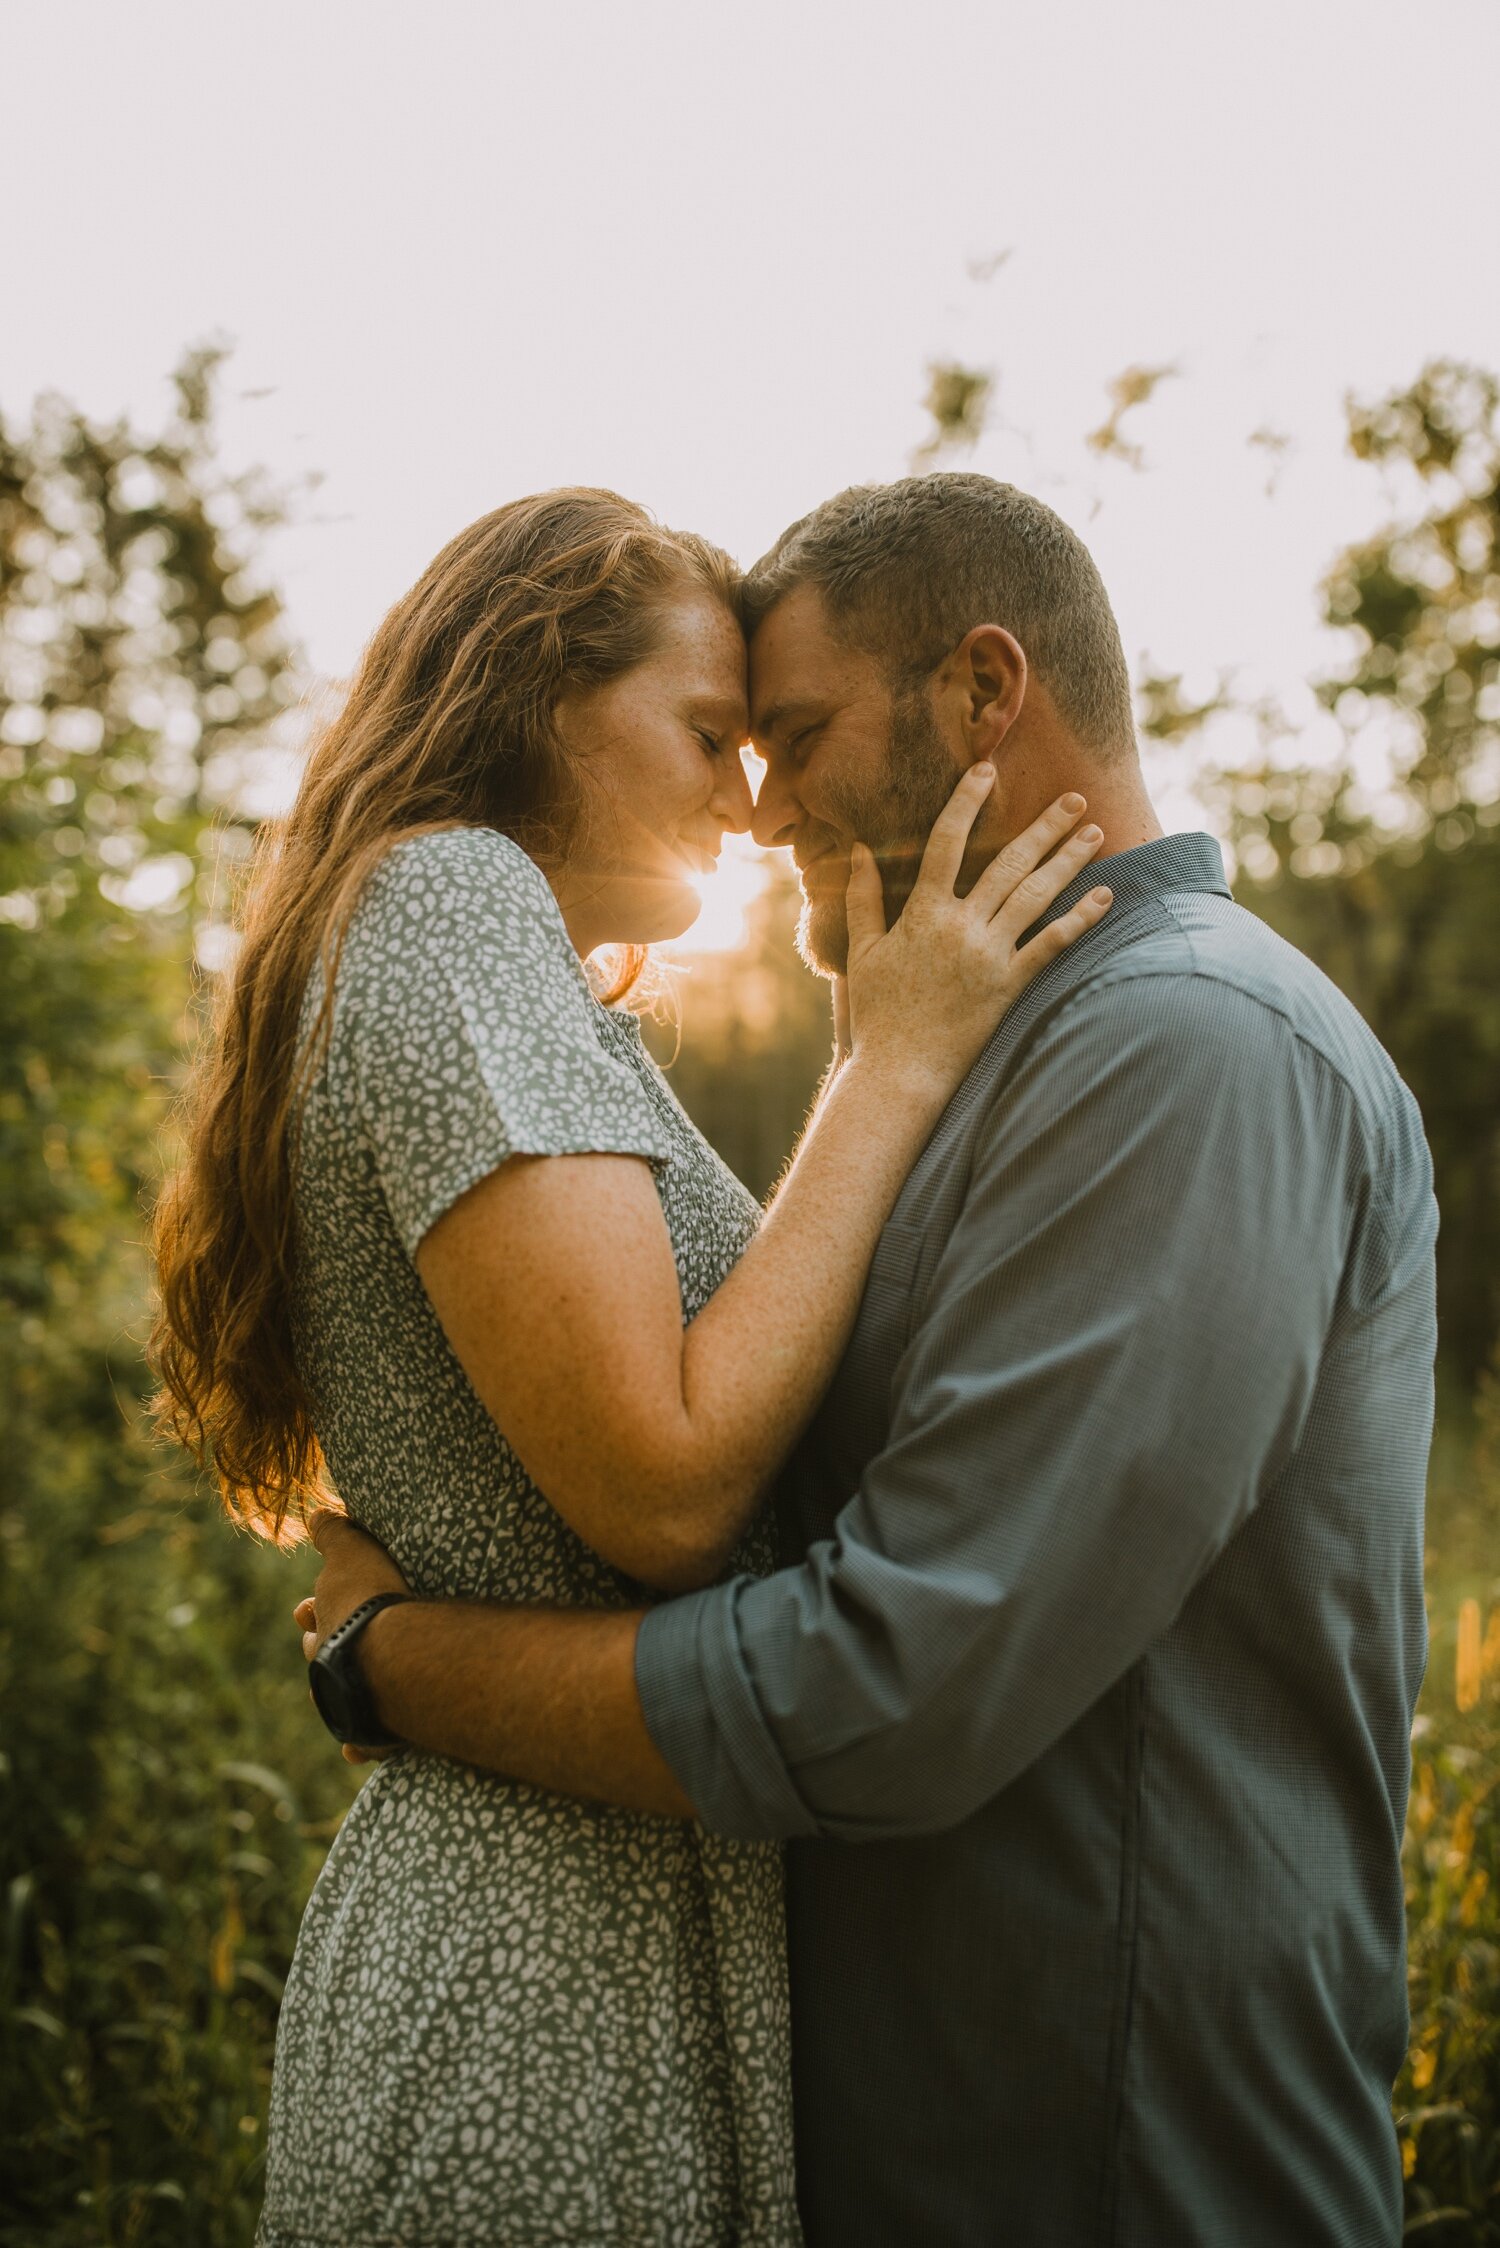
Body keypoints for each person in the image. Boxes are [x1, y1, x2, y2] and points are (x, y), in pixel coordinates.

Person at [304, 473, 1439, 2248]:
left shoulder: (1185, 1051)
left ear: (985, 695)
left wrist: (403, 1665)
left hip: (1114, 2164)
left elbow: (892, 1685)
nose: (759, 808)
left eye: (799, 731)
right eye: (728, 736)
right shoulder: (984, 1045)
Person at [149, 484, 1109, 2248]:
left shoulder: (491, 952)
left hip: (618, 1926)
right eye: (711, 734)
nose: (751, 807)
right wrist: (890, 1068)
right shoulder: (450, 902)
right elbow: (666, 1485)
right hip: (532, 1971)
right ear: (533, 692)